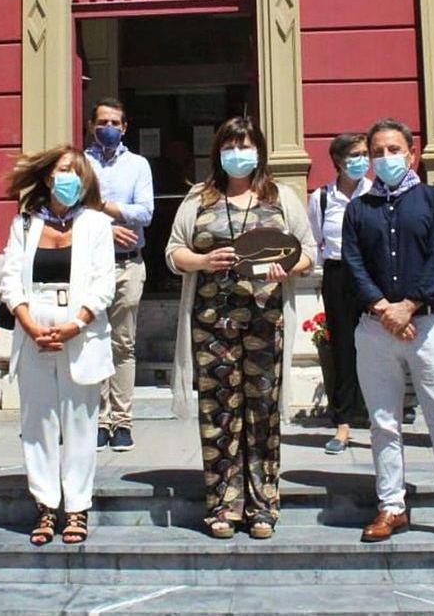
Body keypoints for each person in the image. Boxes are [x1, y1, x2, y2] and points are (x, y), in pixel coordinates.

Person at [166, 117, 315, 540]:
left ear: (260, 152)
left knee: (262, 413)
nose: (238, 154)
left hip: (265, 322)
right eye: (230, 146)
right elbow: (173, 250)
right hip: (212, 325)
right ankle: (221, 506)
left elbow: (307, 253)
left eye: (246, 146)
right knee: (219, 413)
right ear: (217, 152)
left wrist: (285, 269)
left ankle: (263, 504)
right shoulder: (199, 198)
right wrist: (201, 261)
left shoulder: (281, 197)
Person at [341, 119, 434, 545]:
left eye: (394, 149)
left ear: (412, 153)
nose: (386, 158)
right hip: (375, 327)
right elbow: (353, 263)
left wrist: (410, 305)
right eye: (377, 152)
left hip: (428, 326)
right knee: (383, 423)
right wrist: (385, 309)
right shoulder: (358, 208)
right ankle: (391, 506)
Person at [0, 146, 116, 546]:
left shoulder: (98, 224)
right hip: (34, 326)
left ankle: (77, 508)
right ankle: (46, 506)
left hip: (79, 329)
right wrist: (30, 324)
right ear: (48, 177)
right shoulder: (26, 223)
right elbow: (10, 278)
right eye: (62, 170)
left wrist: (76, 324)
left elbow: (105, 283)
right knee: (38, 424)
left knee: (80, 424)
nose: (68, 177)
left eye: (76, 172)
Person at [83, 97, 154, 452]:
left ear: (125, 127)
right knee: (93, 340)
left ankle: (122, 421)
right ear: (91, 126)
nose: (107, 128)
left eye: (114, 122)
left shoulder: (138, 165)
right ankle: (98, 418)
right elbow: (69, 210)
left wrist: (103, 207)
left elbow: (145, 213)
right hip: (90, 266)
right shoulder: (80, 164)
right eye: (101, 122)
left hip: (129, 264)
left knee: (123, 345)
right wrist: (106, 226)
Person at [308, 133, 372, 454]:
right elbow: (316, 240)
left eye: (364, 154)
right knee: (343, 349)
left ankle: (382, 419)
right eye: (353, 155)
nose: (361, 160)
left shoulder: (377, 192)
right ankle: (343, 423)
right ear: (337, 161)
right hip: (337, 274)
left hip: (373, 277)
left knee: (379, 347)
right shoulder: (321, 198)